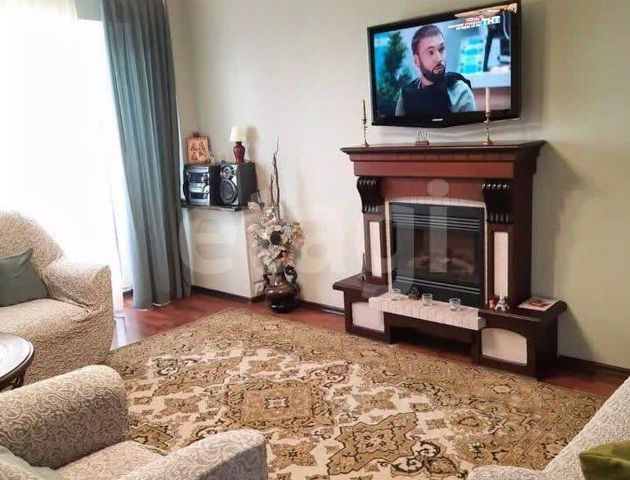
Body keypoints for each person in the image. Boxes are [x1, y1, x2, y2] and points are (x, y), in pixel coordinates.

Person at [395, 24, 476, 117]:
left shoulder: (460, 92)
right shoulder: (406, 96)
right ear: (417, 60)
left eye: (441, 49)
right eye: (430, 52)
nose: (439, 58)